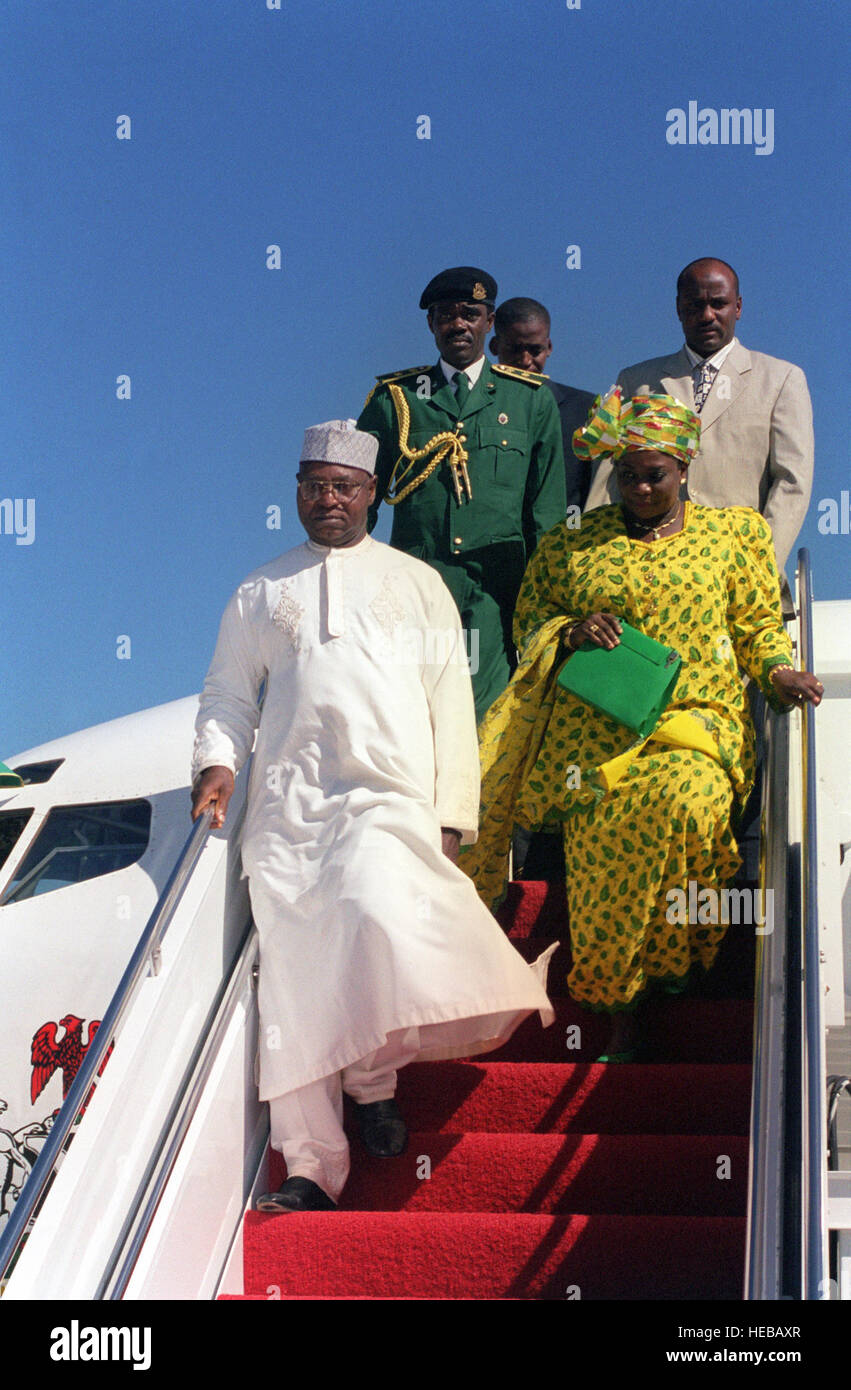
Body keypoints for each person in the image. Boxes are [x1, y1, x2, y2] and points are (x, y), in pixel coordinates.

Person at [191, 419, 553, 1211]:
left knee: (377, 916)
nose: (328, 500)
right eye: (314, 485)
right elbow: (226, 693)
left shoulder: (415, 582)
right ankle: (310, 1167)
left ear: (373, 496)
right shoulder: (260, 590)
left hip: (387, 798)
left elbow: (449, 701)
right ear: (296, 492)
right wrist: (216, 764)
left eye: (344, 487)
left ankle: (373, 1082)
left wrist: (453, 808)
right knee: (293, 986)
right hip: (286, 812)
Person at [463, 389, 822, 1060]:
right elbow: (531, 619)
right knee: (604, 843)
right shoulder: (576, 540)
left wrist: (779, 675)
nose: (637, 487)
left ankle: (674, 961)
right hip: (597, 736)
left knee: (687, 800)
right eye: (626, 474)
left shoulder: (734, 533)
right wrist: (570, 630)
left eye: (652, 474)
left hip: (696, 723)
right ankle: (621, 1004)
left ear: (683, 466)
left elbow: (755, 627)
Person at [356, 266, 566, 723]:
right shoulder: (396, 399)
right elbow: (359, 501)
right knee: (410, 709)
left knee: (482, 716)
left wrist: (547, 608)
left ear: (489, 323)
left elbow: (545, 515)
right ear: (431, 324)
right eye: (445, 314)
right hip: (417, 580)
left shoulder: (530, 400)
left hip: (494, 590)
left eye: (470, 314)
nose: (458, 325)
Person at [584, 258, 814, 609]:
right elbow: (608, 482)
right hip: (649, 580)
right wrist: (599, 566)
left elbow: (792, 482)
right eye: (695, 305)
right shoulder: (636, 380)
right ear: (678, 309)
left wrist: (759, 563)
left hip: (740, 582)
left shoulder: (781, 379)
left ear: (738, 307)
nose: (707, 315)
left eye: (718, 303)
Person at [490, 296, 595, 509]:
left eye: (535, 350)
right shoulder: (476, 407)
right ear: (494, 346)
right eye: (515, 349)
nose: (526, 361)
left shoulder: (585, 409)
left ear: (549, 347)